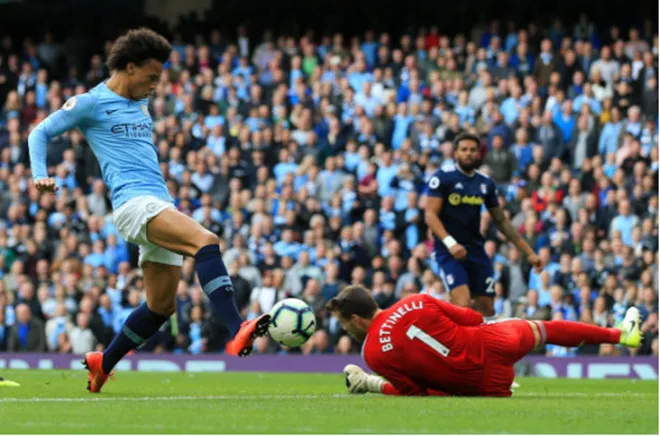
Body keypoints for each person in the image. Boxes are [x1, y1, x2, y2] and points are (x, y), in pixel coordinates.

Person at [27, 28, 270, 393]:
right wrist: (40, 175)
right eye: (151, 77)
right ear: (128, 68)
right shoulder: (91, 103)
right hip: (132, 204)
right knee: (206, 241)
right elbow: (38, 134)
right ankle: (237, 329)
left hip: (158, 203)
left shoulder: (139, 103)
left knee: (161, 306)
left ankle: (102, 363)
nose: (156, 85)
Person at [327, 285, 641, 397]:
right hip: (495, 341)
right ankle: (620, 335)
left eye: (344, 323)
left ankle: (364, 384)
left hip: (483, 385)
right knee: (546, 328)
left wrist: (371, 383)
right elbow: (474, 318)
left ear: (355, 319)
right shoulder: (417, 300)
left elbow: (414, 393)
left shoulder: (373, 353)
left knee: (434, 387)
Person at [424, 133, 543, 319]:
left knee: (487, 309)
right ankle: (452, 342)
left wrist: (529, 252)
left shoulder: (485, 184)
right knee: (462, 303)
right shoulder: (443, 177)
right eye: (464, 149)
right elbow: (430, 215)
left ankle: (481, 346)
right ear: (455, 153)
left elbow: (501, 221)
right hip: (448, 251)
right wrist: (450, 243)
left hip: (476, 250)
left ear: (479, 154)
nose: (468, 153)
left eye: (473, 150)